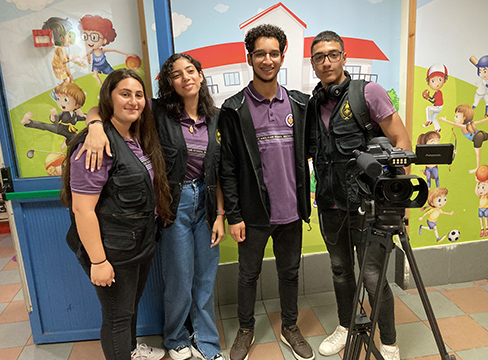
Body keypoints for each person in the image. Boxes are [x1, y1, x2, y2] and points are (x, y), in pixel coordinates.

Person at [78, 53, 225, 360]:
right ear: (169, 83)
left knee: (206, 279)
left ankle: (207, 343)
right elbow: (102, 106)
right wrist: (94, 125)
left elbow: (220, 170)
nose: (185, 77)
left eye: (191, 71)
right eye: (176, 74)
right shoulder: (156, 110)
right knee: (179, 278)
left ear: (200, 75)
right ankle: (176, 339)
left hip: (208, 204)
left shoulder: (216, 116)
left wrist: (221, 213)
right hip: (174, 203)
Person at [306, 30, 411, 360]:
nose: (326, 62)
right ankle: (347, 325)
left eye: (333, 54)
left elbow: (402, 145)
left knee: (373, 277)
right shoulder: (313, 105)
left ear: (344, 57)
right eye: (319, 57)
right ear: (313, 63)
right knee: (340, 271)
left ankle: (390, 342)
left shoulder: (369, 93)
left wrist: (397, 203)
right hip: (331, 205)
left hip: (370, 207)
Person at [60, 69, 172, 360]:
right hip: (112, 249)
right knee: (117, 317)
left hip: (136, 244)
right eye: (125, 94)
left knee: (128, 307)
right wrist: (98, 261)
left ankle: (132, 350)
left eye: (138, 95)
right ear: (110, 98)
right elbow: (82, 210)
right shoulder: (95, 147)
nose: (133, 101)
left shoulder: (134, 136)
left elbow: (97, 110)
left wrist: (95, 119)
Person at [218, 24, 314, 360]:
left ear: (282, 56)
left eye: (273, 53)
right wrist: (234, 214)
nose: (267, 59)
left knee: (290, 273)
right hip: (253, 215)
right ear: (249, 58)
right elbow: (227, 168)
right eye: (260, 53)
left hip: (291, 211)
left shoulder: (300, 105)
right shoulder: (233, 109)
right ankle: (246, 329)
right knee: (248, 275)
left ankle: (290, 327)